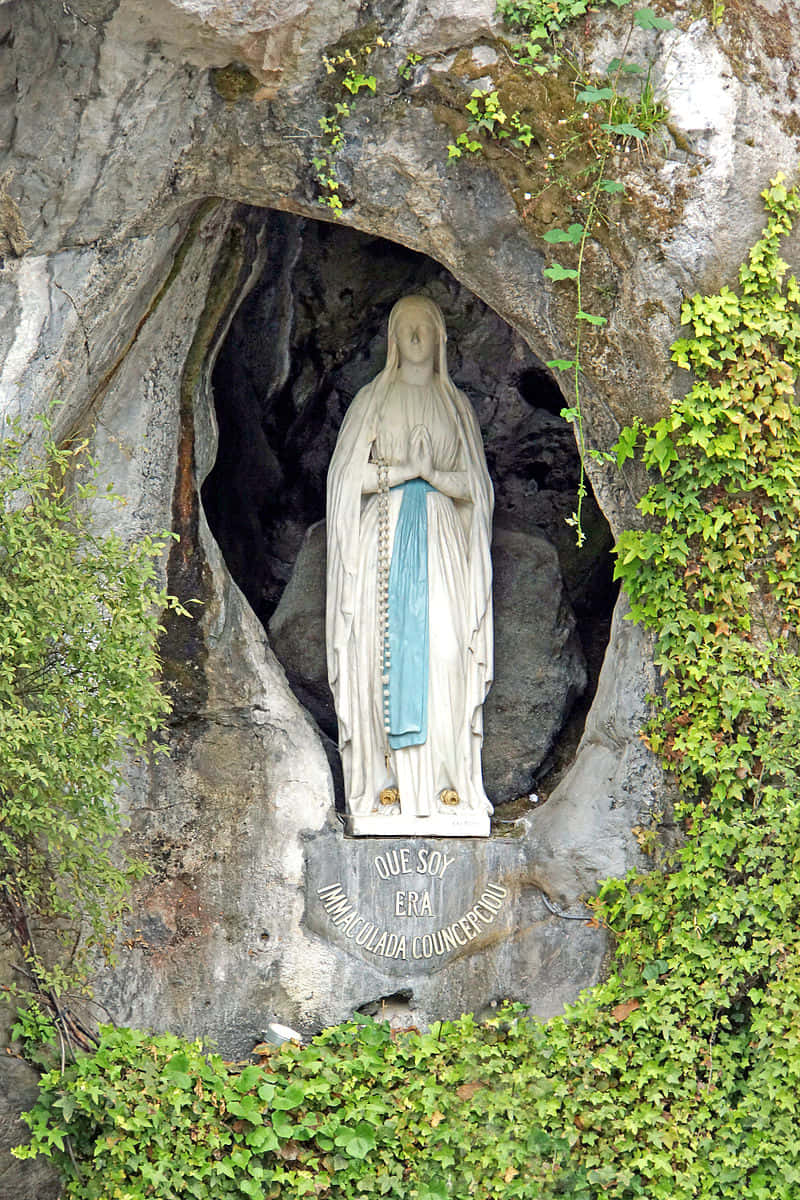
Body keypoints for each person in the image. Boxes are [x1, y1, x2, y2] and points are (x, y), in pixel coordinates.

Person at [326, 295, 493, 836]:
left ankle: (449, 787)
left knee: (446, 653)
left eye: (426, 326)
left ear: (442, 338)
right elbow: (344, 484)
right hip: (385, 540)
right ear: (392, 340)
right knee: (382, 655)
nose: (417, 336)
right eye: (407, 327)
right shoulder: (372, 403)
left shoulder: (456, 409)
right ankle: (386, 788)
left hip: (443, 544)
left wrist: (435, 477)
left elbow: (478, 492)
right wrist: (403, 473)